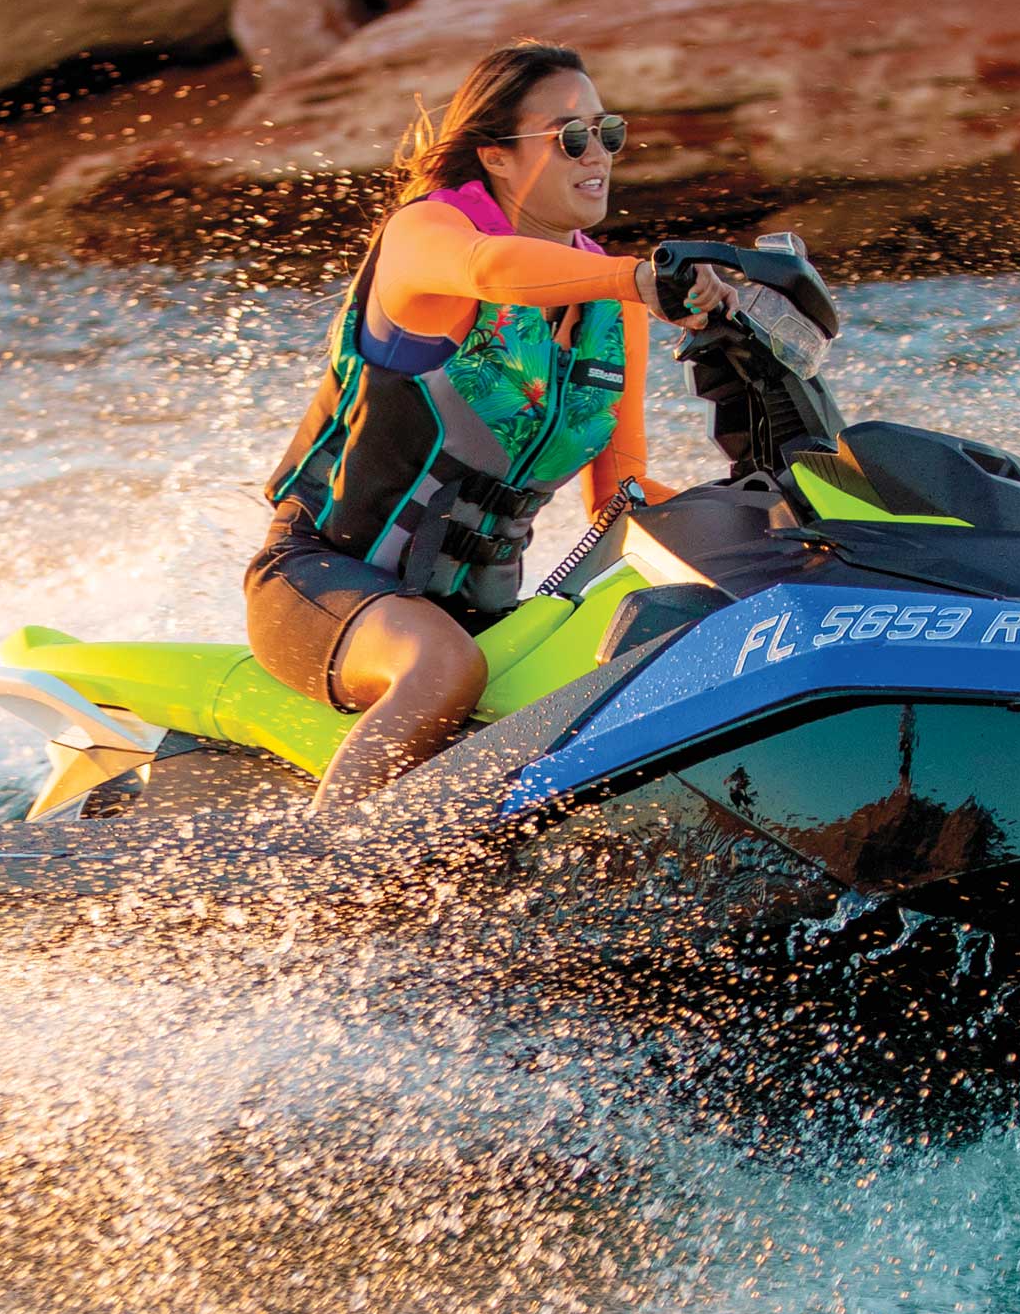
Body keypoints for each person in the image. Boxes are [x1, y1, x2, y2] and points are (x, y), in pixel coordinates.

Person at [248, 39, 809, 810]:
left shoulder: (613, 308)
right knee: (443, 671)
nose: (598, 155)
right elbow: (488, 270)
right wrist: (640, 277)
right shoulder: (427, 238)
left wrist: (776, 532)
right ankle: (326, 886)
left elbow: (624, 490)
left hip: (487, 614)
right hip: (325, 580)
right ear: (498, 158)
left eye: (607, 133)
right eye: (571, 136)